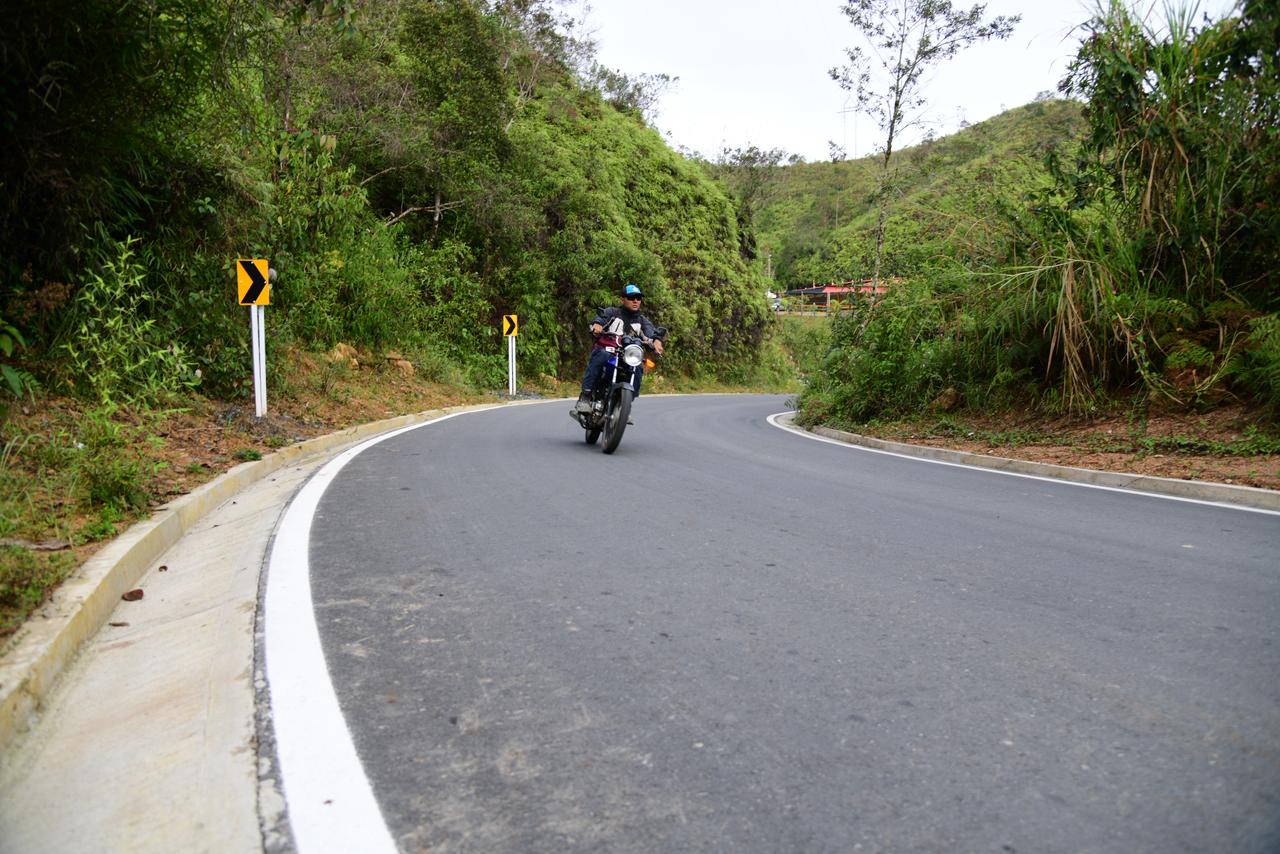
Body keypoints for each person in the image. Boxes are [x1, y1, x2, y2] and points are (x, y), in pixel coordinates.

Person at [574, 283, 665, 414]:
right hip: (609, 352)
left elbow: (652, 334)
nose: (635, 301)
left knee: (639, 367)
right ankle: (585, 396)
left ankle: (625, 406)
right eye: (631, 297)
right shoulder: (612, 312)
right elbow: (600, 318)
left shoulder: (642, 321)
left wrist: (657, 342)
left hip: (628, 357)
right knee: (601, 355)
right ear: (622, 299)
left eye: (638, 298)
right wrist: (597, 325)